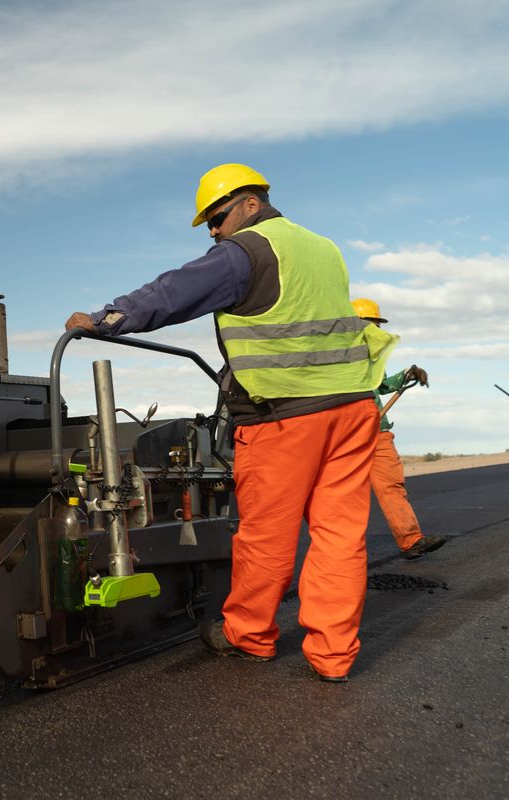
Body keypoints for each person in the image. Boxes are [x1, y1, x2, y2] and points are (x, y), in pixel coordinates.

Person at [66, 163, 397, 682]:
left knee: (267, 535)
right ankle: (334, 657)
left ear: (250, 202)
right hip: (352, 409)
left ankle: (249, 634)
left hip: (283, 417)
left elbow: (178, 290)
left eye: (217, 218)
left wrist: (109, 319)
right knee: (339, 536)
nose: (215, 232)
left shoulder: (248, 250)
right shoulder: (323, 248)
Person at [351, 298, 447, 560]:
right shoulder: (336, 358)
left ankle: (411, 540)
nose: (376, 330)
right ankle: (343, 554)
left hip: (378, 431)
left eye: (377, 324)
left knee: (391, 486)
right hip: (348, 434)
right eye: (371, 324)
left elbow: (381, 385)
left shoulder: (373, 356)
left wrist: (407, 374)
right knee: (344, 495)